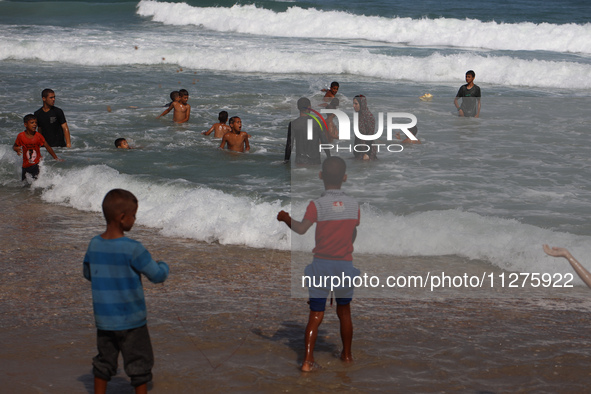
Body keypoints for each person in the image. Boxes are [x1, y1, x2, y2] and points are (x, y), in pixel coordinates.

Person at [277, 156, 360, 372]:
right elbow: (352, 231)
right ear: (345, 178)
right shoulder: (354, 205)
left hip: (321, 265)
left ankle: (307, 361)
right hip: (344, 264)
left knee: (316, 314)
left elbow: (302, 229)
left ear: (320, 175)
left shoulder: (316, 205)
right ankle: (347, 355)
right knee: (345, 312)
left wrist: (286, 218)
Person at [83, 189, 169, 394]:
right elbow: (156, 275)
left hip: (104, 320)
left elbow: (88, 274)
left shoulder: (94, 244)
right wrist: (164, 265)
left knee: (104, 363)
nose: (135, 220)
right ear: (123, 218)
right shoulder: (133, 248)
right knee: (139, 364)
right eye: (134, 216)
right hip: (133, 321)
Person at [13, 114, 62, 181]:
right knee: (24, 185)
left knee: (35, 184)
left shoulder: (38, 136)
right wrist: (16, 149)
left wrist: (56, 158)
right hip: (25, 166)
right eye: (32, 123)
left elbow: (48, 147)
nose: (35, 124)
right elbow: (15, 146)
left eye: (36, 122)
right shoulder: (21, 136)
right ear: (25, 124)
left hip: (36, 165)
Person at [284, 97, 331, 165]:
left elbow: (289, 144)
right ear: (309, 107)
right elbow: (324, 140)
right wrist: (329, 157)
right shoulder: (317, 121)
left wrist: (286, 161)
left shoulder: (293, 124)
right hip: (315, 161)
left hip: (300, 161)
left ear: (298, 107)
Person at [352, 95, 377, 160]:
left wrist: (367, 154)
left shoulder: (369, 117)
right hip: (359, 149)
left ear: (362, 104)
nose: (353, 106)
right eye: (353, 103)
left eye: (356, 104)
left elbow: (370, 136)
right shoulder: (359, 116)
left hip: (367, 151)